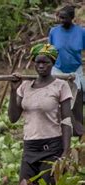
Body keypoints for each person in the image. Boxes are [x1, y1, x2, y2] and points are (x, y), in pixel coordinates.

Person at [8, 44, 73, 185]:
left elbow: (66, 120)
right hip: (30, 148)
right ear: (34, 64)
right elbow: (12, 117)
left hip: (51, 147)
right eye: (38, 62)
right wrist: (12, 90)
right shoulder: (25, 87)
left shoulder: (60, 86)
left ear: (53, 63)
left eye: (45, 62)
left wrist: (65, 150)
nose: (41, 65)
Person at [48, 5, 85, 136]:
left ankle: (78, 131)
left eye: (64, 18)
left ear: (72, 18)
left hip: (75, 71)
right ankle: (57, 131)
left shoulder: (81, 32)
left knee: (77, 101)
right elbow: (49, 53)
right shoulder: (53, 32)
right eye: (60, 17)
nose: (61, 20)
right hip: (58, 70)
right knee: (56, 102)